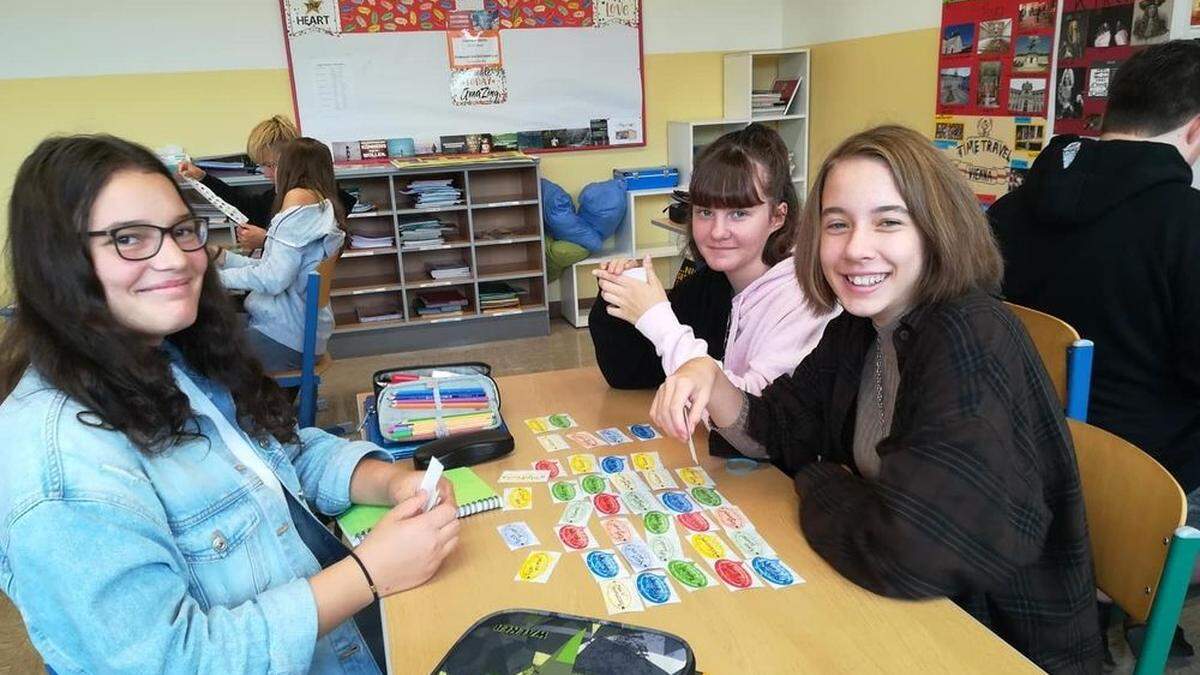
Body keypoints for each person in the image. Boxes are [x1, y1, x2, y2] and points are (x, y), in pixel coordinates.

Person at [0, 134, 461, 673]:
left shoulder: (171, 356)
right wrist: (368, 574)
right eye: (129, 238)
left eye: (181, 231)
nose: (176, 258)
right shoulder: (57, 464)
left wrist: (389, 481)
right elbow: (175, 660)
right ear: (57, 261)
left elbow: (279, 455)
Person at [650, 125, 1101, 673]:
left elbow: (909, 554)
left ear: (936, 229)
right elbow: (782, 428)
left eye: (889, 221)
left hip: (991, 639)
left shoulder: (967, 336)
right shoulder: (866, 325)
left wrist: (821, 478)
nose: (856, 248)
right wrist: (710, 377)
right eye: (838, 224)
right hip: (896, 611)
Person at [588, 123, 834, 456]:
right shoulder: (713, 281)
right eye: (705, 212)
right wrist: (622, 296)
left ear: (777, 217)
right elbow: (630, 373)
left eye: (739, 213)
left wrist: (659, 320)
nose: (717, 231)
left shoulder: (805, 296)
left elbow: (751, 421)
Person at [213, 137, 347, 371]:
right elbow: (271, 267)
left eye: (274, 166)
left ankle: (260, 406)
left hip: (285, 337)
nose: (269, 173)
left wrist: (213, 279)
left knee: (202, 360)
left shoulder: (295, 206)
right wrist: (223, 259)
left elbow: (272, 279)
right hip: (301, 332)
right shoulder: (321, 205)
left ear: (287, 169)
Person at [177, 115, 356, 251]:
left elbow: (310, 251)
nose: (264, 173)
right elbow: (250, 207)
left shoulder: (303, 200)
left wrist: (265, 240)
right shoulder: (290, 192)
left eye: (268, 165)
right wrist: (203, 177)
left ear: (288, 162)